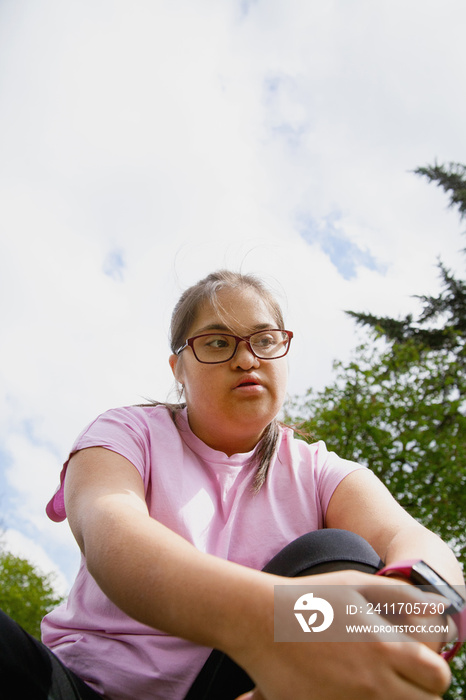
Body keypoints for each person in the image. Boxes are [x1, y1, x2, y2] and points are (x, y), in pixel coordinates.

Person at [0, 269, 463, 700]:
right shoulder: (126, 434)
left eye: (265, 340)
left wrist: (417, 608)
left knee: (341, 554)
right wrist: (261, 620)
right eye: (218, 342)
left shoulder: (319, 471)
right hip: (79, 687)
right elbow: (111, 532)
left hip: (229, 689)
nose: (246, 358)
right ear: (178, 367)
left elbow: (416, 541)